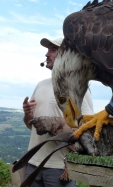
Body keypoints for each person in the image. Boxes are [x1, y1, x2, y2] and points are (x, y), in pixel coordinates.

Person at [22, 38, 94, 187]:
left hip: (59, 168)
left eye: (53, 50)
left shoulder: (78, 86)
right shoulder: (41, 85)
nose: (47, 54)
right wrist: (28, 115)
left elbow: (88, 128)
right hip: (33, 163)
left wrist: (53, 124)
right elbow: (31, 127)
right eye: (48, 50)